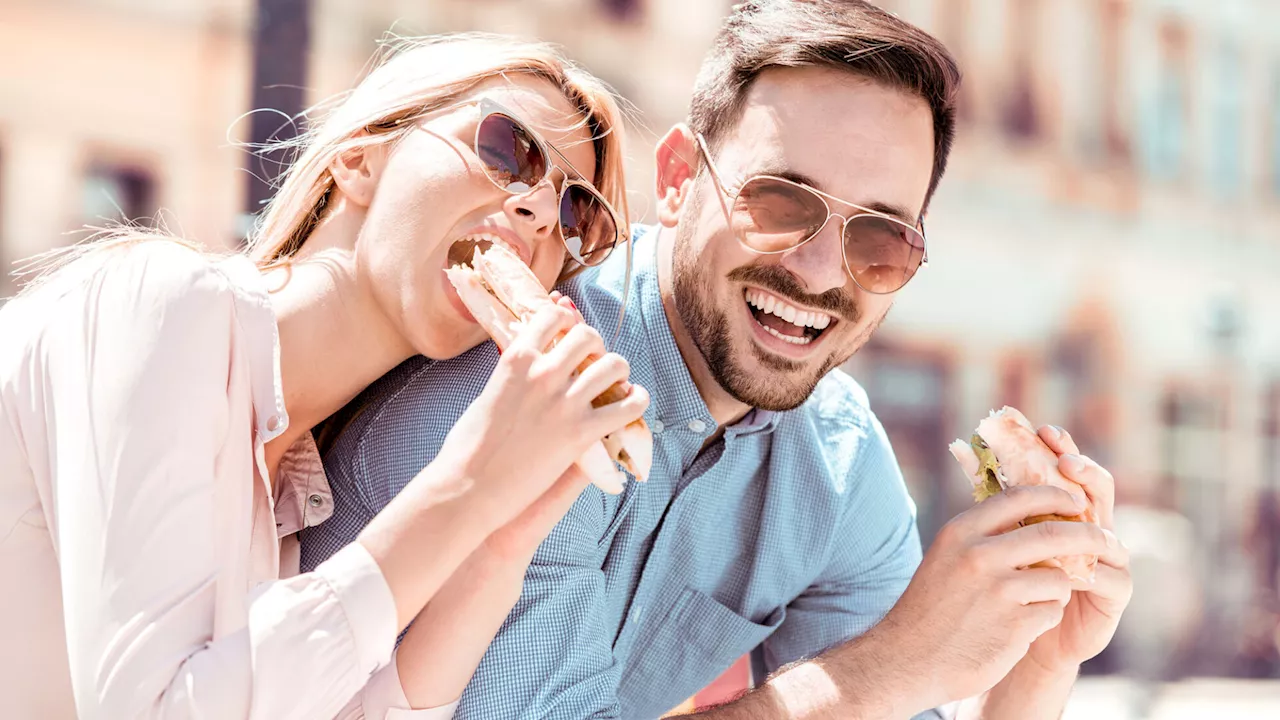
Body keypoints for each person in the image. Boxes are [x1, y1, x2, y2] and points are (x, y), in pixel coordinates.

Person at [302, 3, 1133, 718]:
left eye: (879, 239)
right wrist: (896, 660)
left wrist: (1036, 661)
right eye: (779, 200)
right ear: (674, 179)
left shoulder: (838, 463)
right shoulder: (519, 379)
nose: (818, 272)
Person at [0, 33, 649, 719]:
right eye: (504, 150)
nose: (543, 214)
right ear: (360, 159)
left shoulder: (291, 502)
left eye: (579, 215)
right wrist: (465, 485)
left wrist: (499, 543)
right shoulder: (160, 299)